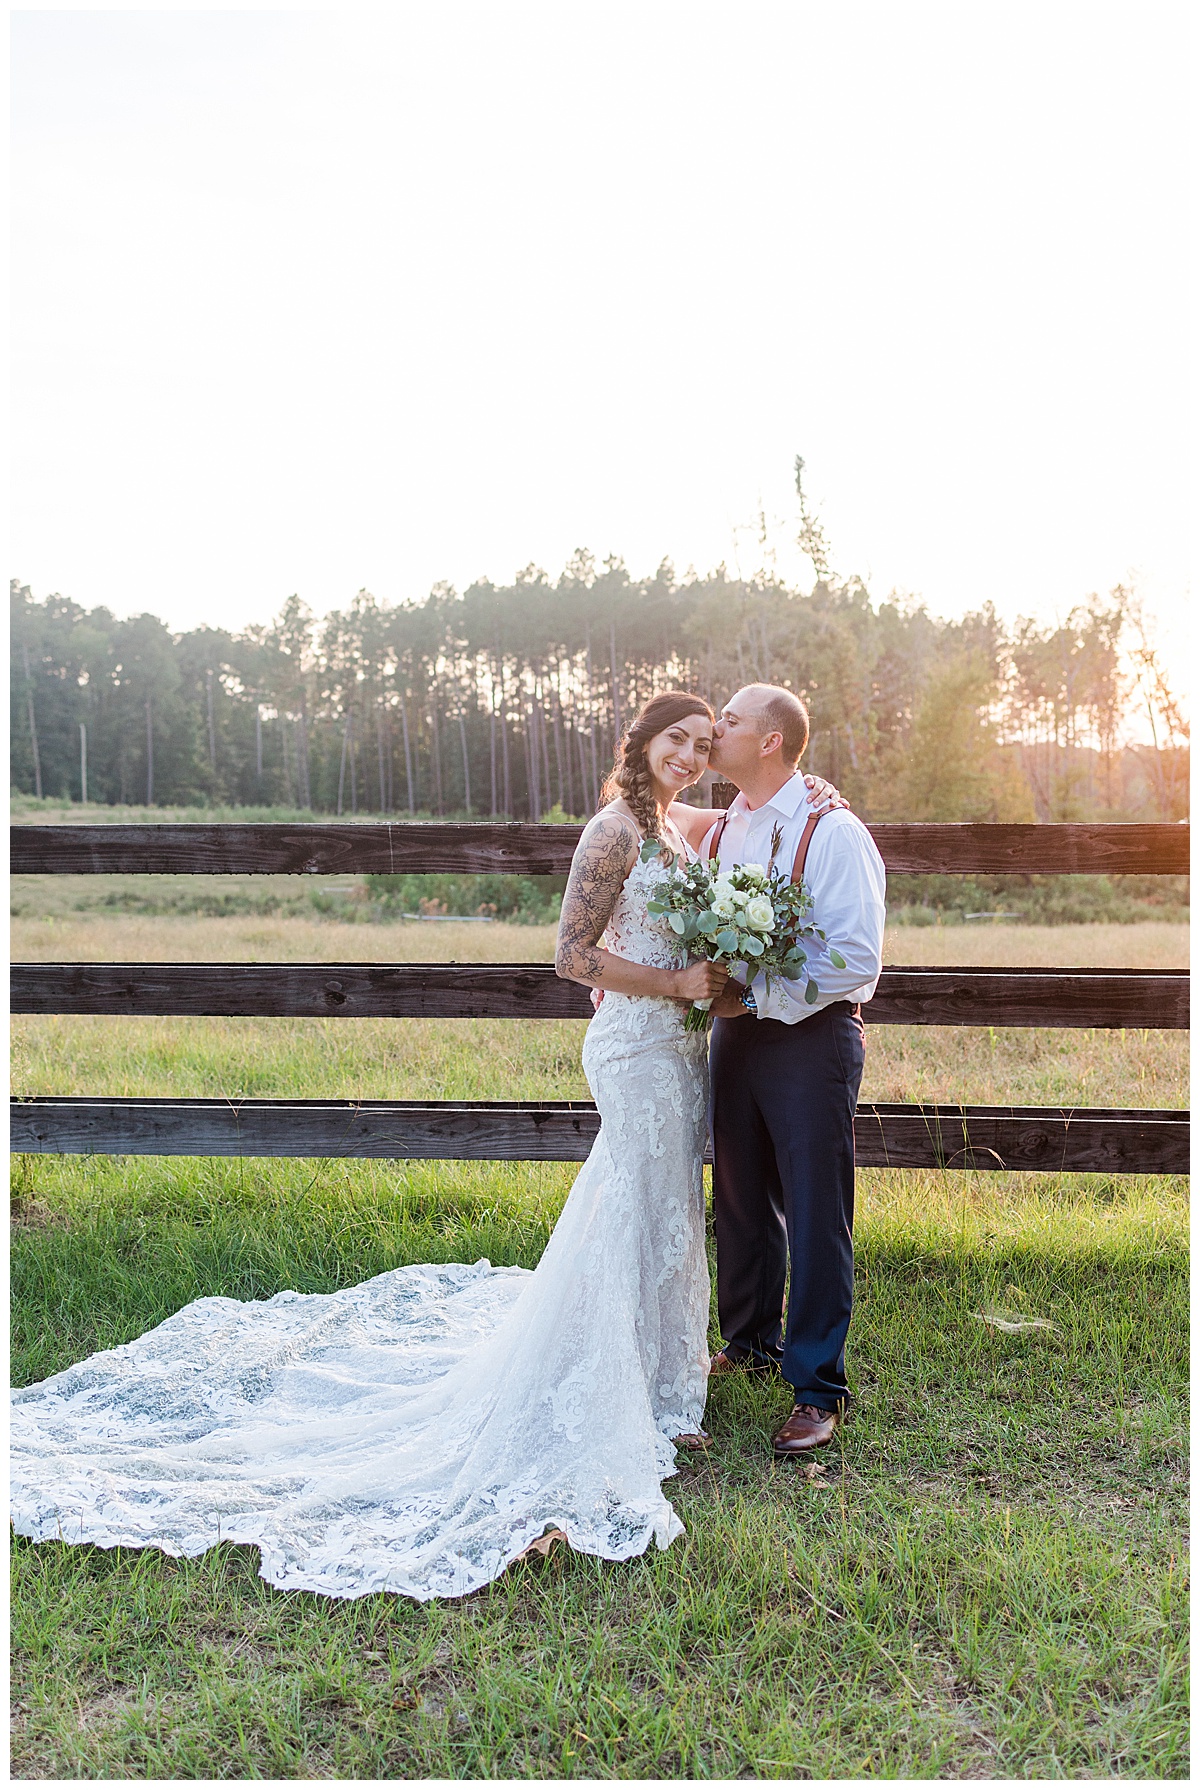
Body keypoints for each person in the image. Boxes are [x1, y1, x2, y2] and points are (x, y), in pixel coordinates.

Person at [9, 690, 837, 1602]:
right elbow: (570, 956)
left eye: (701, 744)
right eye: (674, 740)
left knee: (666, 1207)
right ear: (639, 743)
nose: (688, 755)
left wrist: (806, 802)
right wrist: (675, 982)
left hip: (677, 1051)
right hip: (636, 1047)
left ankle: (663, 1385)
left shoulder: (676, 828)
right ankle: (615, 1388)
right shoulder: (611, 832)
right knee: (637, 1205)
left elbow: (761, 807)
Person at [694, 684, 885, 1457]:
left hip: (812, 1038)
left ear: (770, 740)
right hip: (737, 1035)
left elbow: (857, 958)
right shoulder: (723, 828)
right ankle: (747, 1343)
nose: (715, 729)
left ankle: (817, 1388)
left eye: (730, 720)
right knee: (739, 1194)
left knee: (815, 1207)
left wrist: (754, 992)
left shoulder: (832, 831)